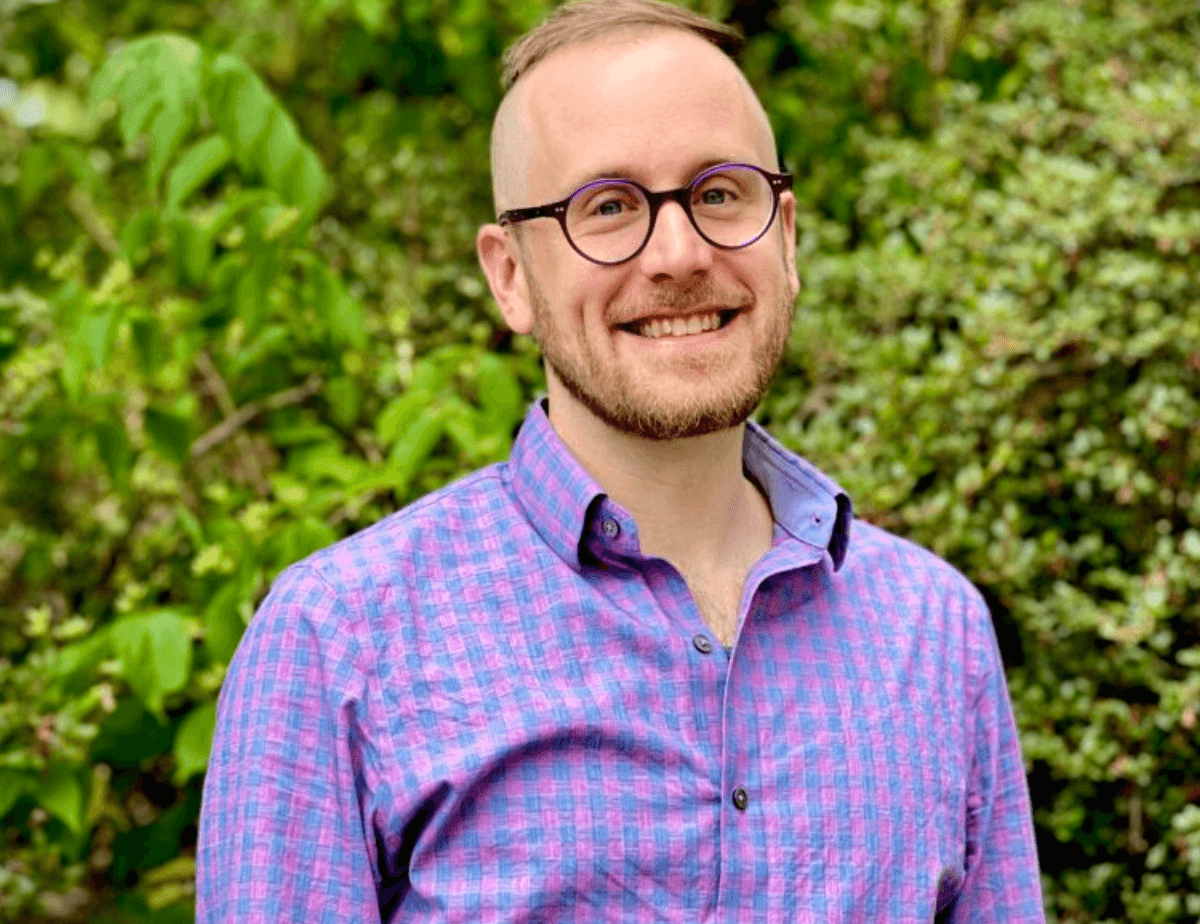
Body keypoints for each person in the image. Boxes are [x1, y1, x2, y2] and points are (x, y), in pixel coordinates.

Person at [197, 1, 1046, 920]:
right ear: (510, 276)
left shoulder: (935, 631)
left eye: (720, 194)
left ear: (787, 237)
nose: (679, 254)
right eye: (607, 207)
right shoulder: (341, 643)